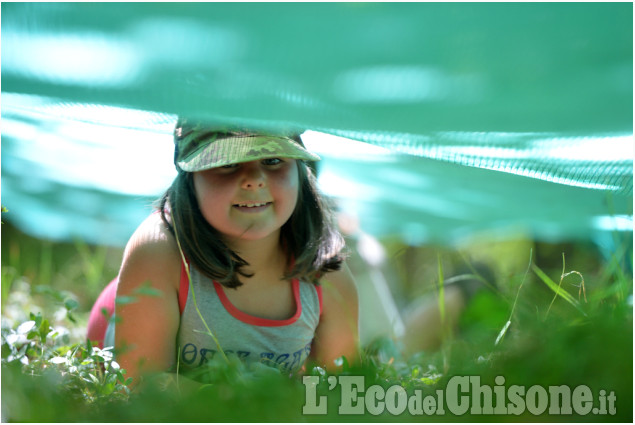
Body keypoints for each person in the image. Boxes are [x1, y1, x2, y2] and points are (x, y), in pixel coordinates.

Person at [86, 118, 359, 384]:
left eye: (273, 160)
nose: (254, 179)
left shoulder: (327, 274)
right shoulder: (158, 249)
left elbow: (335, 389)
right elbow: (141, 383)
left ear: (301, 171)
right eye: (227, 163)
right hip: (125, 320)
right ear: (190, 179)